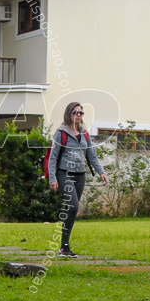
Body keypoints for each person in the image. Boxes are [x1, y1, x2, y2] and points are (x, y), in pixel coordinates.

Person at [48, 101, 108, 258]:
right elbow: (53, 158)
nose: (78, 115)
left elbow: (91, 155)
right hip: (64, 173)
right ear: (69, 114)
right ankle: (64, 246)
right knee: (73, 206)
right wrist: (52, 178)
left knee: (72, 210)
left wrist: (101, 172)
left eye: (81, 113)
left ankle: (64, 247)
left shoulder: (85, 134)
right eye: (75, 112)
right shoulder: (60, 133)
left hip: (80, 174)